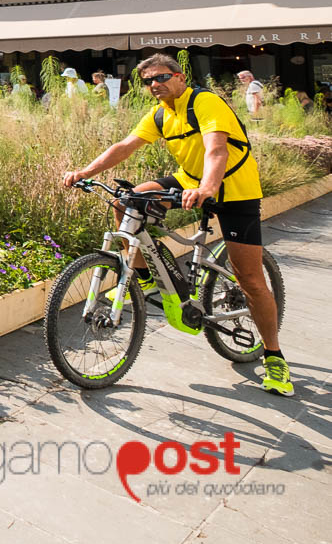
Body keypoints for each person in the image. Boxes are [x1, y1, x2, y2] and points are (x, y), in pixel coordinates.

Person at [61, 53, 290, 397]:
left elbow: (217, 151)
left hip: (234, 189)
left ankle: (274, 357)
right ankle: (147, 278)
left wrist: (208, 188)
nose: (155, 85)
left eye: (161, 77)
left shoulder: (205, 102)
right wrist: (85, 172)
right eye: (148, 81)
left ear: (180, 76)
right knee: (127, 202)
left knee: (251, 280)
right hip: (190, 181)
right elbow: (125, 146)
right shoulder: (160, 113)